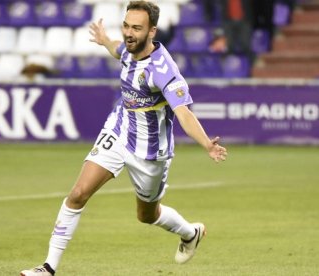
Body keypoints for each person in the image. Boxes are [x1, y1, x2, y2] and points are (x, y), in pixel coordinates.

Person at [21, 1, 227, 275]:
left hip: (150, 152)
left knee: (147, 215)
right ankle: (48, 268)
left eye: (137, 28)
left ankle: (191, 233)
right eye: (127, 26)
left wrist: (206, 144)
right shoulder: (129, 49)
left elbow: (184, 113)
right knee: (78, 194)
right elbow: (118, 49)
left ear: (152, 31)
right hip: (118, 131)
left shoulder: (164, 70)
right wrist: (105, 39)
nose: (129, 33)